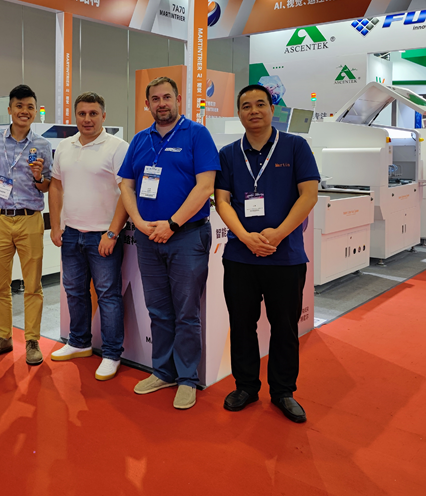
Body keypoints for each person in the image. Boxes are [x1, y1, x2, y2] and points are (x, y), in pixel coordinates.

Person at [214, 84, 319, 424]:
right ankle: (245, 386)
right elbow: (222, 200)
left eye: (261, 104)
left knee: (284, 327)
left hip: (285, 256)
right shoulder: (229, 153)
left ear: (272, 109)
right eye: (246, 106)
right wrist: (245, 237)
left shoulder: (295, 146)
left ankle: (283, 391)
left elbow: (309, 195)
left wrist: (278, 233)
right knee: (241, 325)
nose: (254, 111)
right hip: (240, 257)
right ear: (239, 113)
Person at [118, 76, 220, 410]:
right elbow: (126, 185)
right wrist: (138, 221)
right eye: (155, 99)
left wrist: (173, 224)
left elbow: (205, 186)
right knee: (158, 309)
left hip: (187, 236)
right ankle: (163, 372)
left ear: (178, 99)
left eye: (167, 97)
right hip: (148, 238)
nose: (161, 103)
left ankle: (187, 378)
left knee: (186, 312)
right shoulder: (140, 139)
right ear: (147, 103)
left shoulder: (197, 134)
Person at [49, 92, 129, 380]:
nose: (87, 119)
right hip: (71, 234)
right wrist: (55, 225)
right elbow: (55, 186)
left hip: (103, 236)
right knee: (74, 291)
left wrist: (112, 232)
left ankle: (111, 353)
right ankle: (79, 342)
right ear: (75, 116)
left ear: (104, 116)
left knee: (108, 296)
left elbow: (127, 192)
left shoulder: (118, 147)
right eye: (82, 113)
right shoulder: (65, 146)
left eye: (93, 113)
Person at [0, 85, 52, 365]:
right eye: (19, 106)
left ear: (35, 111)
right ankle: (3, 337)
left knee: (33, 285)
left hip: (30, 219)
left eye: (30, 107)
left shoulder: (42, 144)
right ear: (10, 109)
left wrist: (38, 177)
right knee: (0, 285)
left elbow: (47, 186)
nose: (24, 111)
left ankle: (32, 340)